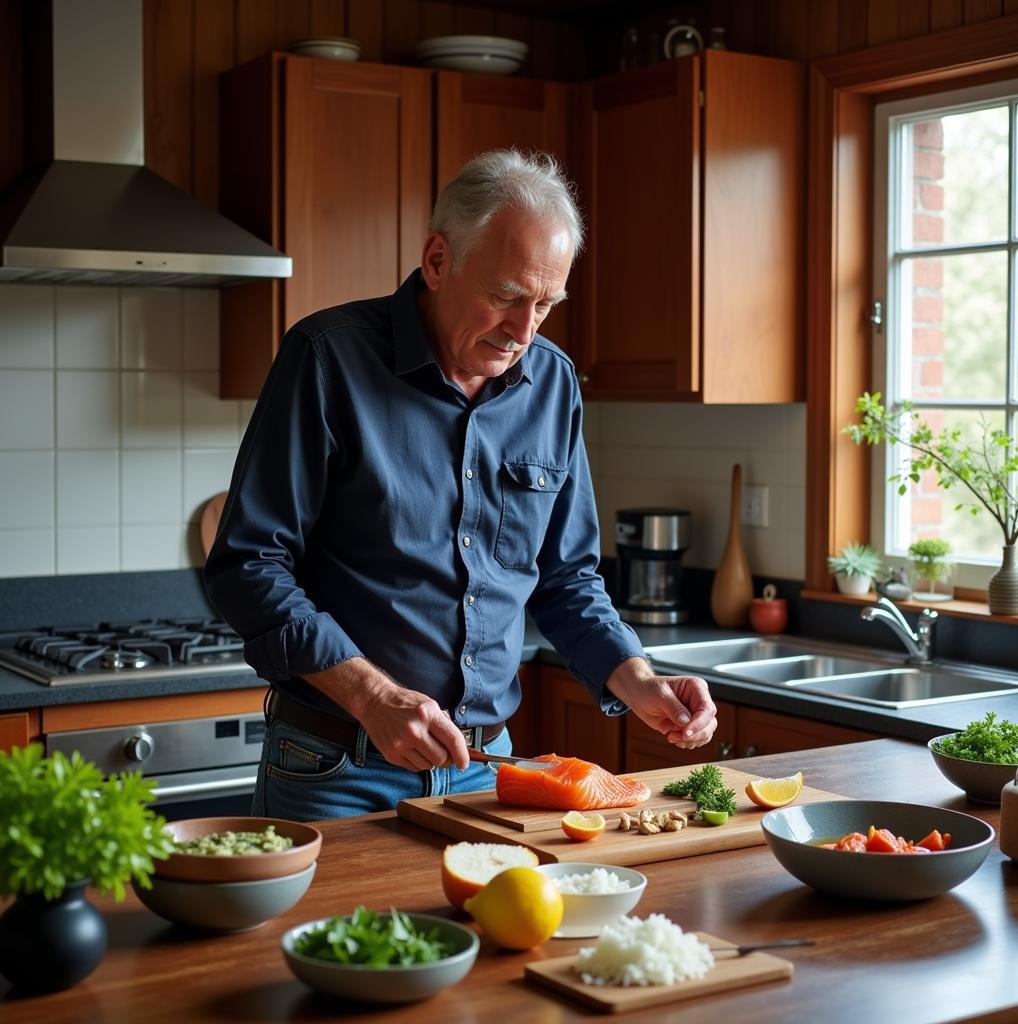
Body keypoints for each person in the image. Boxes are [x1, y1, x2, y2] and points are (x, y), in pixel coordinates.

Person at [205, 149, 717, 821]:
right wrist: (371, 696)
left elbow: (565, 578)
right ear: (438, 260)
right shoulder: (327, 358)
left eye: (545, 305)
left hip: (488, 771)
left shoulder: (553, 383)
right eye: (507, 297)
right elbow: (246, 565)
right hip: (336, 770)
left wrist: (637, 676)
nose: (523, 331)